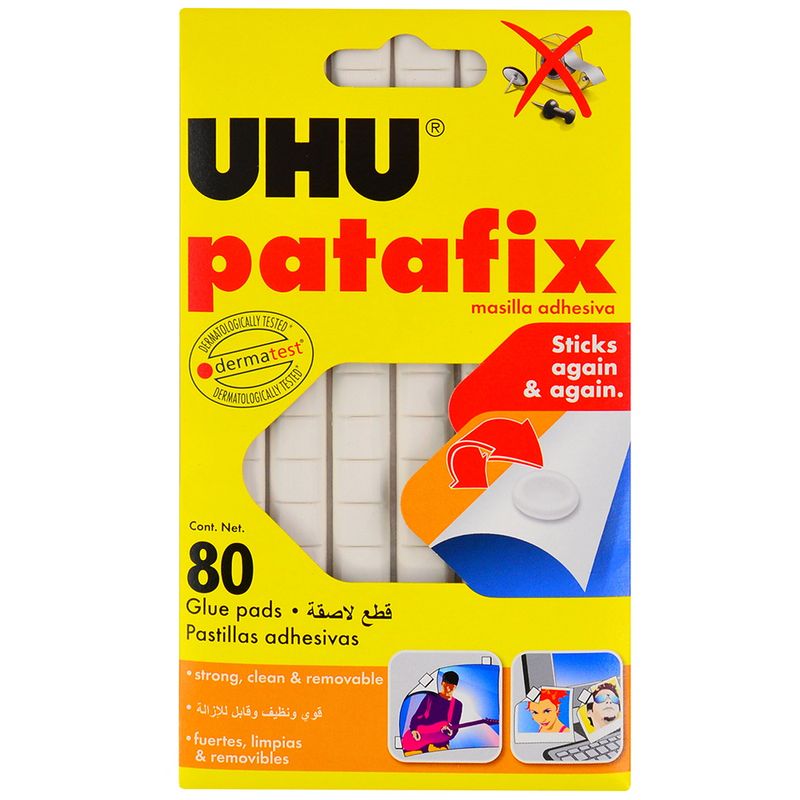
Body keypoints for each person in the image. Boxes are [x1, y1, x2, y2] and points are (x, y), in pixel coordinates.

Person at [406, 671, 463, 753]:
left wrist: (451, 732)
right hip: (420, 738)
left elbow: (455, 726)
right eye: (446, 685)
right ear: (442, 683)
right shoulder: (431, 697)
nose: (448, 688)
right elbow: (417, 715)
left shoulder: (457, 704)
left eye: (451, 686)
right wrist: (413, 730)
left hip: (440, 744)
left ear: (455, 687)